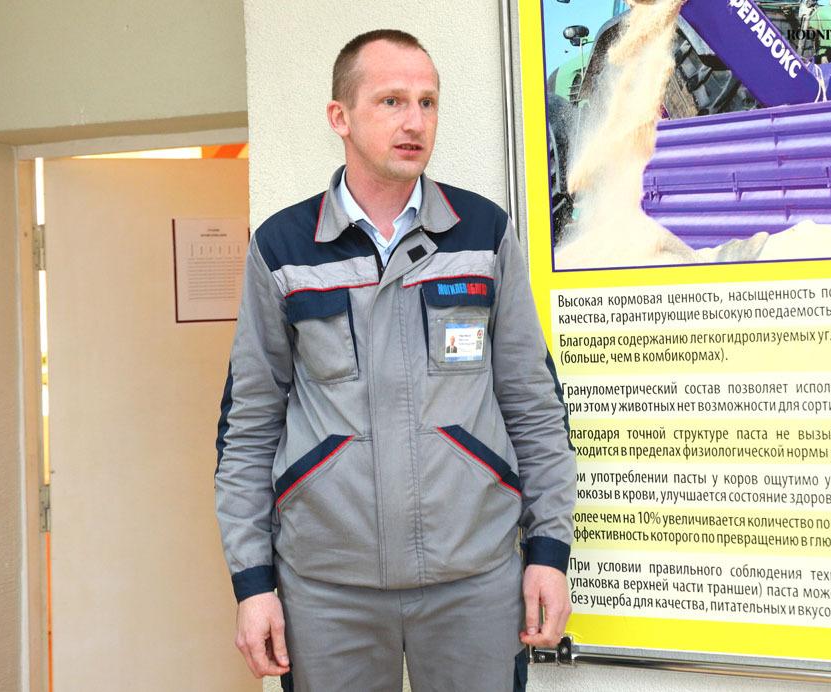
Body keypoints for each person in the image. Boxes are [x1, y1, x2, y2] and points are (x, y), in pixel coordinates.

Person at [215, 29, 576, 691]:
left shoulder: (482, 234)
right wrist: (253, 583)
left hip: (475, 580)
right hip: (327, 590)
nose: (415, 122)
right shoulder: (284, 247)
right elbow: (249, 426)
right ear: (340, 116)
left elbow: (533, 405)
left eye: (427, 102)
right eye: (391, 101)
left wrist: (549, 552)